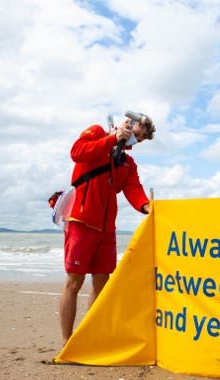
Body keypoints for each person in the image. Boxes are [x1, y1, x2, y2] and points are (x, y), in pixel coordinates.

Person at [59, 112, 156, 345]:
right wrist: (112, 140)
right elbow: (77, 153)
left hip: (107, 229)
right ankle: (67, 342)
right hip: (81, 221)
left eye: (140, 139)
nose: (135, 140)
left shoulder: (127, 162)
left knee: (102, 282)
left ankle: (89, 337)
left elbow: (133, 189)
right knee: (74, 282)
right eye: (136, 133)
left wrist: (147, 207)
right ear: (127, 123)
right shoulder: (96, 133)